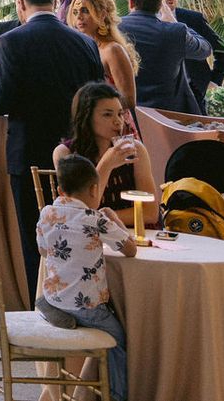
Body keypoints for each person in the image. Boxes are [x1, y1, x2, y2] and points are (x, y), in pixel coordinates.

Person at [0, 0, 105, 295]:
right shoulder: (85, 42)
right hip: (77, 153)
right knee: (80, 231)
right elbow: (98, 96)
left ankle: (40, 307)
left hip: (27, 153)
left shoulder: (10, 41)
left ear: (20, 4)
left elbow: (0, 103)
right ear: (54, 3)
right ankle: (80, 301)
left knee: (34, 239)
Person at [35, 154, 133, 401]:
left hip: (56, 295)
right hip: (89, 307)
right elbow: (130, 249)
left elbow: (43, 251)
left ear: (60, 189)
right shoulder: (95, 219)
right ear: (94, 189)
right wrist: (115, 220)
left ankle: (52, 306)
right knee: (118, 339)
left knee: (60, 294)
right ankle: (117, 395)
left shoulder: (47, 213)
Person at [54, 81, 157, 218]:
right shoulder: (66, 153)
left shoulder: (134, 148)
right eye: (107, 115)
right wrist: (106, 165)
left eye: (120, 114)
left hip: (133, 233)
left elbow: (150, 213)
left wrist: (101, 219)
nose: (118, 121)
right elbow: (79, 210)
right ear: (87, 116)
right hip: (87, 235)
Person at [116, 0, 210, 113]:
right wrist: (174, 23)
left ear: (131, 2)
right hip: (171, 116)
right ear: (160, 3)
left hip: (127, 112)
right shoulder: (175, 31)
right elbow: (204, 49)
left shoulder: (113, 29)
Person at [154, 0, 224, 113]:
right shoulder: (148, 21)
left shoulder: (193, 18)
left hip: (194, 91)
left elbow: (223, 50)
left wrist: (214, 80)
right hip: (159, 97)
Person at [67, 0, 139, 112]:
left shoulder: (113, 50)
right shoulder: (84, 47)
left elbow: (129, 100)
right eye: (75, 12)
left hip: (115, 125)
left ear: (102, 14)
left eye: (85, 11)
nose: (78, 17)